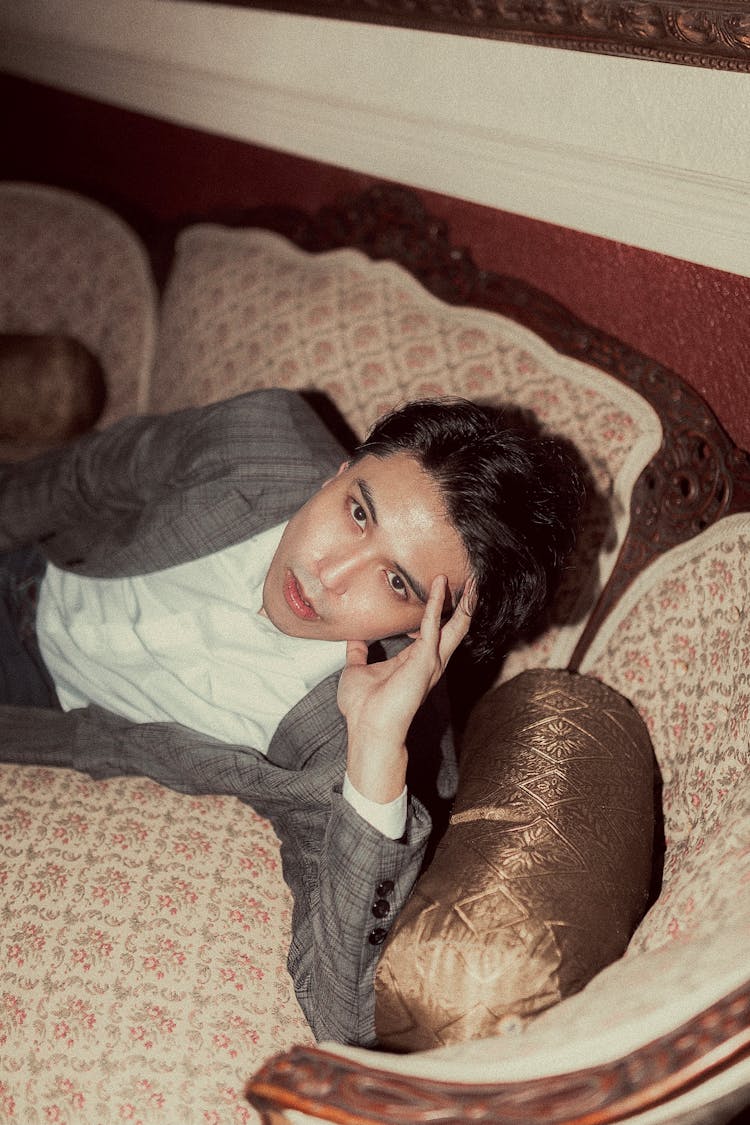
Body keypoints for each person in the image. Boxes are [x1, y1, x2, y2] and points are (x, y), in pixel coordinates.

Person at [0, 388, 584, 1046]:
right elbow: (82, 479)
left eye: (397, 583)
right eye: (358, 513)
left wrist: (375, 749)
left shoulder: (346, 743)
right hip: (33, 563)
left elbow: (339, 1011)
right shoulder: (258, 440)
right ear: (340, 470)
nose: (329, 573)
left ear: (430, 632)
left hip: (39, 705)